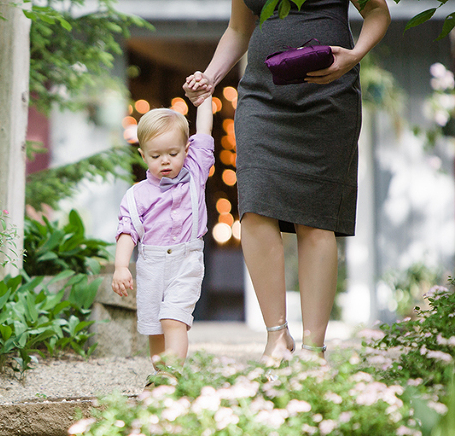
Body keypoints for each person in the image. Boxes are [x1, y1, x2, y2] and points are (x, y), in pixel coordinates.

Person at [183, 0, 390, 364]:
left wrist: (355, 55)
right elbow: (238, 29)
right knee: (254, 207)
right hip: (262, 100)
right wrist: (210, 78)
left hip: (329, 97)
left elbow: (378, 11)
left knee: (316, 219)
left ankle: (314, 349)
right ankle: (276, 335)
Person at [112, 99, 214, 384]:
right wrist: (121, 266)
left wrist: (205, 98)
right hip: (151, 265)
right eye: (156, 156)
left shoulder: (195, 175)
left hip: (186, 260)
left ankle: (172, 375)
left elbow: (205, 132)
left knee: (173, 318)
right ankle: (160, 379)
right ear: (143, 155)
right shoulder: (136, 195)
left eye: (173, 153)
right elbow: (127, 231)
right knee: (155, 328)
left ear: (186, 150)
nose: (166, 161)